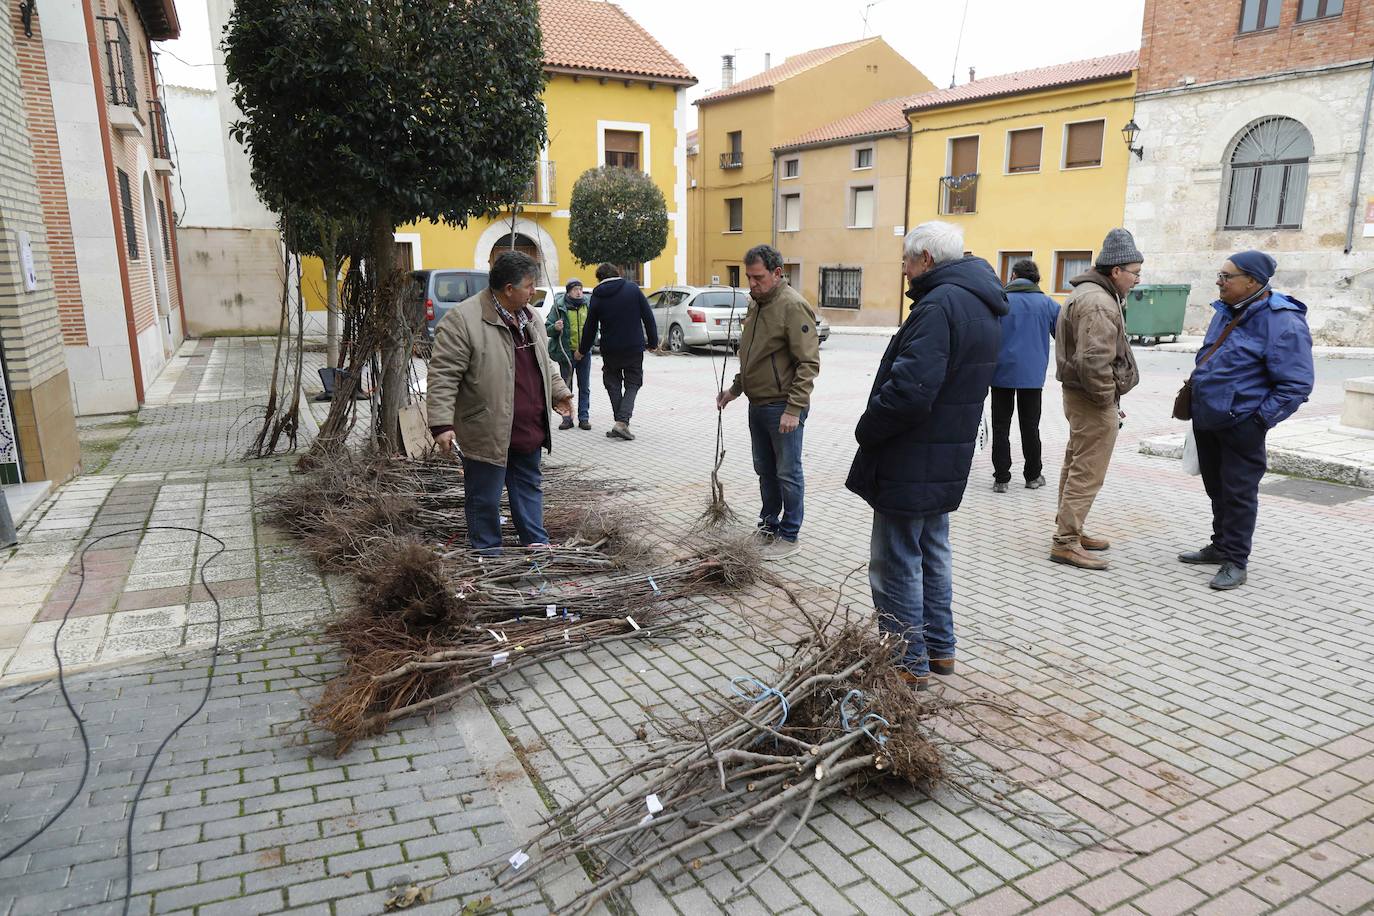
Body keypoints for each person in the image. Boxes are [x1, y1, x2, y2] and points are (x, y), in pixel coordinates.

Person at [846, 222, 1007, 689]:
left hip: (913, 454)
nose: (902, 267)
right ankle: (940, 651)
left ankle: (906, 662)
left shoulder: (939, 306)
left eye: (906, 259)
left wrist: (867, 428)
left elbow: (911, 391)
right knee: (933, 551)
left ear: (927, 261)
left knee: (896, 559)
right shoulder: (979, 300)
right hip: (945, 453)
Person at [1179, 250, 1314, 590]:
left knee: (1239, 494)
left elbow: (1296, 385)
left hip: (1242, 424)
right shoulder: (1225, 310)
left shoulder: (1283, 321)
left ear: (1252, 281)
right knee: (1217, 488)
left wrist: (1258, 421)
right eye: (1220, 275)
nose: (1218, 281)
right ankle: (1220, 545)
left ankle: (1236, 561)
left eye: (1227, 276)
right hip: (1208, 417)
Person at [426, 251, 573, 554]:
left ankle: (537, 549)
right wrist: (441, 424)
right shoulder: (463, 321)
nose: (535, 292)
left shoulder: (531, 317)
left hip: (528, 427)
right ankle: (488, 558)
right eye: (530, 286)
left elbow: (544, 363)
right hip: (486, 429)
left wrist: (560, 393)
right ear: (509, 289)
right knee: (484, 499)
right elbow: (442, 376)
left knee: (528, 490)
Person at [715, 245, 821, 561]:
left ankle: (789, 534)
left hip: (782, 407)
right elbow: (752, 357)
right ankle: (769, 524)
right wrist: (734, 390)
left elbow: (808, 363)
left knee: (788, 471)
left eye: (758, 277)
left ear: (777, 273)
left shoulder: (793, 306)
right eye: (748, 277)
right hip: (757, 403)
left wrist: (794, 408)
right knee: (765, 469)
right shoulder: (757, 305)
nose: (752, 283)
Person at [1050, 228, 1142, 571]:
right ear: (1115, 271)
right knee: (1087, 471)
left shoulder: (1088, 293)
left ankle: (1070, 529)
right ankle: (1066, 541)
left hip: (1081, 395)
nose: (1137, 279)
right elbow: (1093, 360)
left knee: (1076, 463)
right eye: (1134, 272)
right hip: (1091, 399)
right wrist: (1107, 399)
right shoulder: (1099, 302)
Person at [990, 259, 1060, 493]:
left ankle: (1001, 478)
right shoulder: (1048, 303)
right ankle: (1032, 475)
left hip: (1001, 374)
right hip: (1032, 376)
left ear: (1013, 276)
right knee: (1030, 427)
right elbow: (1062, 335)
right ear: (1036, 279)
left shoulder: (1000, 301)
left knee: (1001, 426)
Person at [577, 263, 658, 441]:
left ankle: (620, 423)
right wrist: (653, 342)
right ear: (618, 273)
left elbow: (590, 327)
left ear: (600, 279)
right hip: (633, 347)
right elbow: (648, 316)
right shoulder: (633, 289)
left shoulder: (597, 296)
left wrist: (582, 350)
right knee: (633, 383)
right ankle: (622, 423)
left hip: (610, 348)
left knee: (612, 382)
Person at [546, 279, 594, 430]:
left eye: (580, 289)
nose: (579, 292)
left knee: (584, 386)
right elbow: (547, 328)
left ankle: (584, 418)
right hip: (566, 353)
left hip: (584, 353)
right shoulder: (559, 307)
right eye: (575, 289)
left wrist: (585, 349)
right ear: (568, 292)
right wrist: (555, 327)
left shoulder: (588, 305)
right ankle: (567, 418)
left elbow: (594, 328)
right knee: (566, 387)